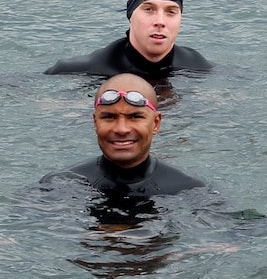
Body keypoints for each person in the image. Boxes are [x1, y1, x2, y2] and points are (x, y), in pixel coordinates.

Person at [41, 74, 208, 198]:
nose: (121, 129)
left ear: (156, 123)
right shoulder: (59, 186)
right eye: (109, 117)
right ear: (95, 122)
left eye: (135, 117)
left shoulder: (189, 190)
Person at [45, 0, 214, 83]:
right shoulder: (82, 69)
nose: (160, 22)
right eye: (148, 9)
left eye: (171, 12)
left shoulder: (198, 67)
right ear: (130, 15)